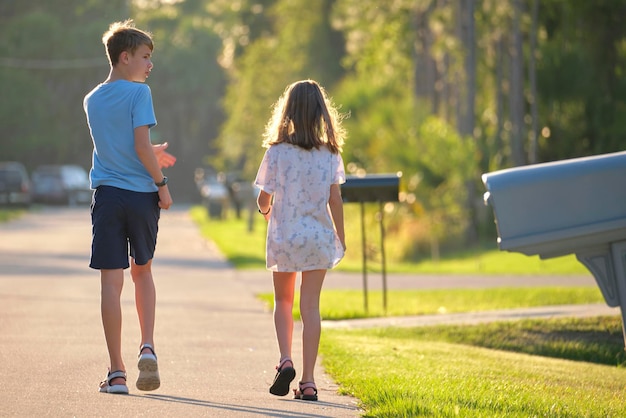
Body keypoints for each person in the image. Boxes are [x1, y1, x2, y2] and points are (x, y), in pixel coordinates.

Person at [83, 19, 176, 395]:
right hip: (140, 195)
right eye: (145, 57)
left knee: (110, 281)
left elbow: (114, 147)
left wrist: (148, 154)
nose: (149, 65)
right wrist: (161, 184)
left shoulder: (92, 98)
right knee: (143, 272)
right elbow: (139, 145)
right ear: (125, 57)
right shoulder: (140, 94)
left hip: (107, 195)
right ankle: (148, 346)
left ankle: (117, 373)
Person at [254, 79, 347, 402]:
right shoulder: (330, 154)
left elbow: (264, 199)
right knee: (311, 308)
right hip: (319, 238)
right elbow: (335, 200)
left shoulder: (277, 152)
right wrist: (341, 237)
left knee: (283, 302)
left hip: (286, 237)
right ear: (321, 113)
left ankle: (285, 360)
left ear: (288, 111)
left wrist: (266, 211)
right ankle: (308, 382)